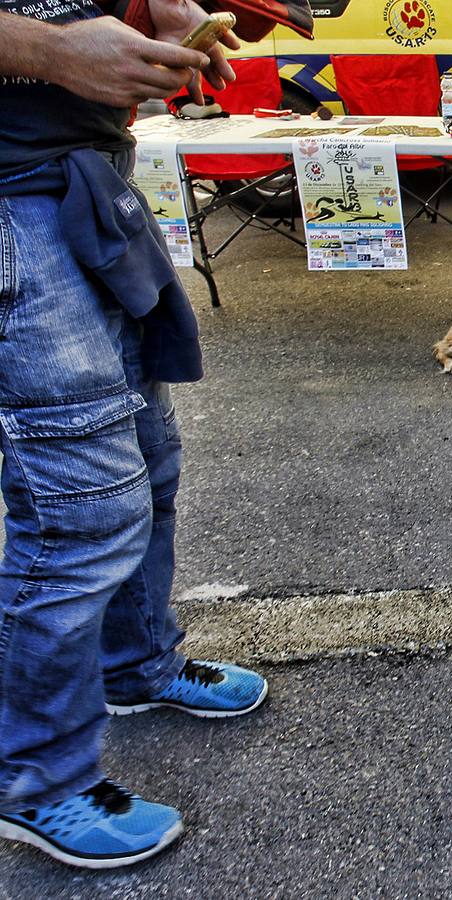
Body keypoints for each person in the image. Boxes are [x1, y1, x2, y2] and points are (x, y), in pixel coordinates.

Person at [0, 0, 268, 870]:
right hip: (12, 205)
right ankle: (32, 781)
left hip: (81, 185)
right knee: (78, 515)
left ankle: (136, 667)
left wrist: (155, 12)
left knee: (147, 467)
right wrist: (47, 48)